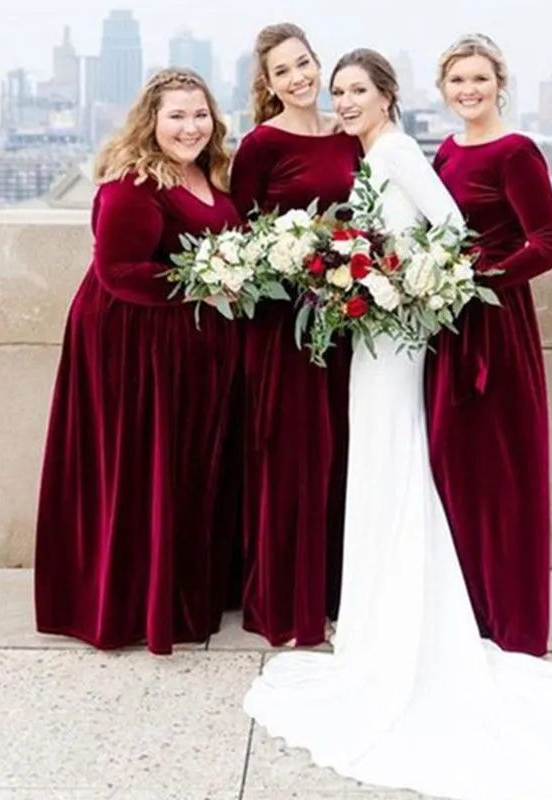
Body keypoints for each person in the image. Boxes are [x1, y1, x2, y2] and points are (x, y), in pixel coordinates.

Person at [242, 47, 552, 800]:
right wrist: (354, 270)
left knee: (396, 458)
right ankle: (374, 619)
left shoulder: (400, 150)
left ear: (389, 95)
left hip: (397, 337)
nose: (341, 101)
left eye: (355, 90)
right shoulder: (380, 155)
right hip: (373, 336)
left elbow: (450, 236)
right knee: (378, 460)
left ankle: (402, 623)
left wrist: (402, 286)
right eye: (335, 91)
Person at [35, 68, 242, 655]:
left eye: (199, 114)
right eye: (176, 115)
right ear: (151, 121)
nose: (190, 126)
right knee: (143, 466)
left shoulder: (208, 171)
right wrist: (201, 284)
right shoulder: (131, 184)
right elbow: (119, 274)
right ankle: (134, 604)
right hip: (133, 346)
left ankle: (184, 589)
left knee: (181, 468)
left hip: (187, 345)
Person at [426, 33, 552, 657]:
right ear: (443, 90)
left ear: (499, 82)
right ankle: (467, 610)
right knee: (456, 466)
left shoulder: (517, 153)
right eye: (458, 82)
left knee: (503, 467)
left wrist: (477, 281)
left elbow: (547, 244)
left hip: (497, 327)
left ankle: (513, 619)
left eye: (479, 79)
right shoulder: (447, 152)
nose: (469, 91)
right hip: (447, 329)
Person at [229, 23, 361, 647]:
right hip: (281, 325)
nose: (298, 78)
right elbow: (239, 234)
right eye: (283, 72)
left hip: (343, 320)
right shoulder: (259, 144)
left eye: (303, 63)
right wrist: (287, 261)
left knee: (340, 452)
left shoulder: (348, 134)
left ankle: (337, 593)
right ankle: (286, 601)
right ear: (270, 84)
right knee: (289, 453)